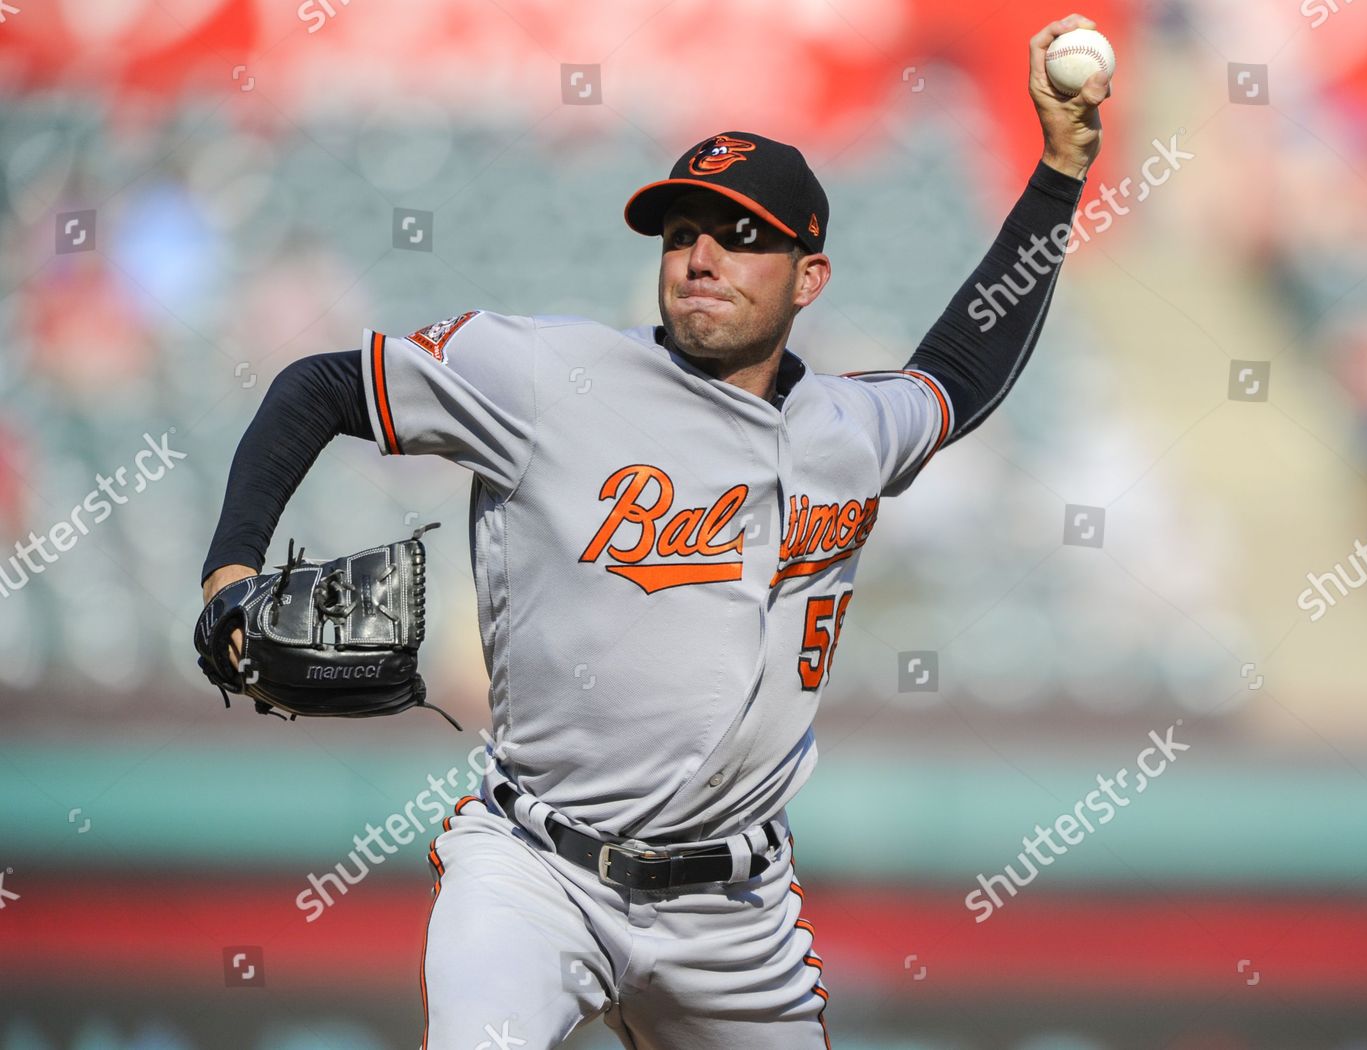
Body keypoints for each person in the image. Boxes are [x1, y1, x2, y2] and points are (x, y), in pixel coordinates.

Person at [199, 14, 1108, 1048]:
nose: (703, 257)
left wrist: (1062, 172)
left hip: (736, 910)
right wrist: (229, 572)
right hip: (534, 872)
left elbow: (961, 373)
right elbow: (318, 385)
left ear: (810, 278)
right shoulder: (543, 375)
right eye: (683, 234)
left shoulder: (853, 428)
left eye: (744, 236)